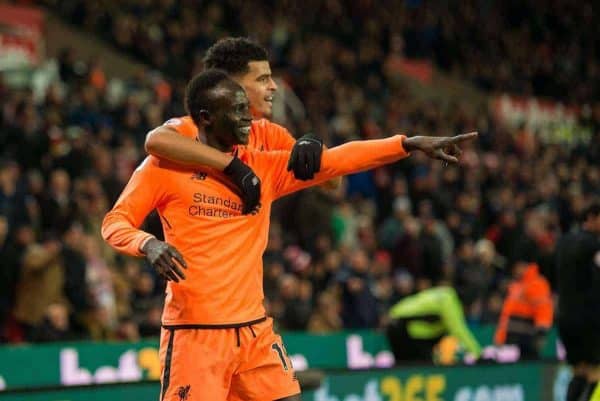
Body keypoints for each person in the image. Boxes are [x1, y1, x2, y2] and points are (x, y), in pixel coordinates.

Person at [101, 69, 477, 401]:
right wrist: (147, 243)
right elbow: (114, 222)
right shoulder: (163, 168)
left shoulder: (261, 167)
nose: (248, 116)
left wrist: (407, 144)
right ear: (205, 118)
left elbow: (337, 160)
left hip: (253, 334)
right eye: (235, 110)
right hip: (195, 336)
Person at [144, 37, 327, 214]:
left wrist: (315, 147)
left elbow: (331, 182)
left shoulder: (270, 134)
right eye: (263, 79)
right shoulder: (202, 125)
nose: (274, 86)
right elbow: (155, 140)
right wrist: (233, 167)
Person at [556, 202, 600, 401]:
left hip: (564, 316)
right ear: (592, 218)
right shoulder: (593, 245)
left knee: (579, 371)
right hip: (587, 318)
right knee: (595, 371)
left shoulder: (564, 242)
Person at [386, 286, 482, 364]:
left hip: (402, 325)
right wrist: (479, 355)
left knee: (415, 366)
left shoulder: (447, 295)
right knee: (419, 369)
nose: (476, 310)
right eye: (475, 305)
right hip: (399, 325)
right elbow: (458, 330)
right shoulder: (449, 301)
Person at [493, 251, 553, 359]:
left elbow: (544, 310)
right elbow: (507, 315)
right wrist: (500, 338)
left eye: (516, 266)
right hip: (510, 341)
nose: (514, 270)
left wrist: (540, 335)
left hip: (526, 341)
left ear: (524, 265)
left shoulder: (537, 284)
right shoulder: (516, 285)